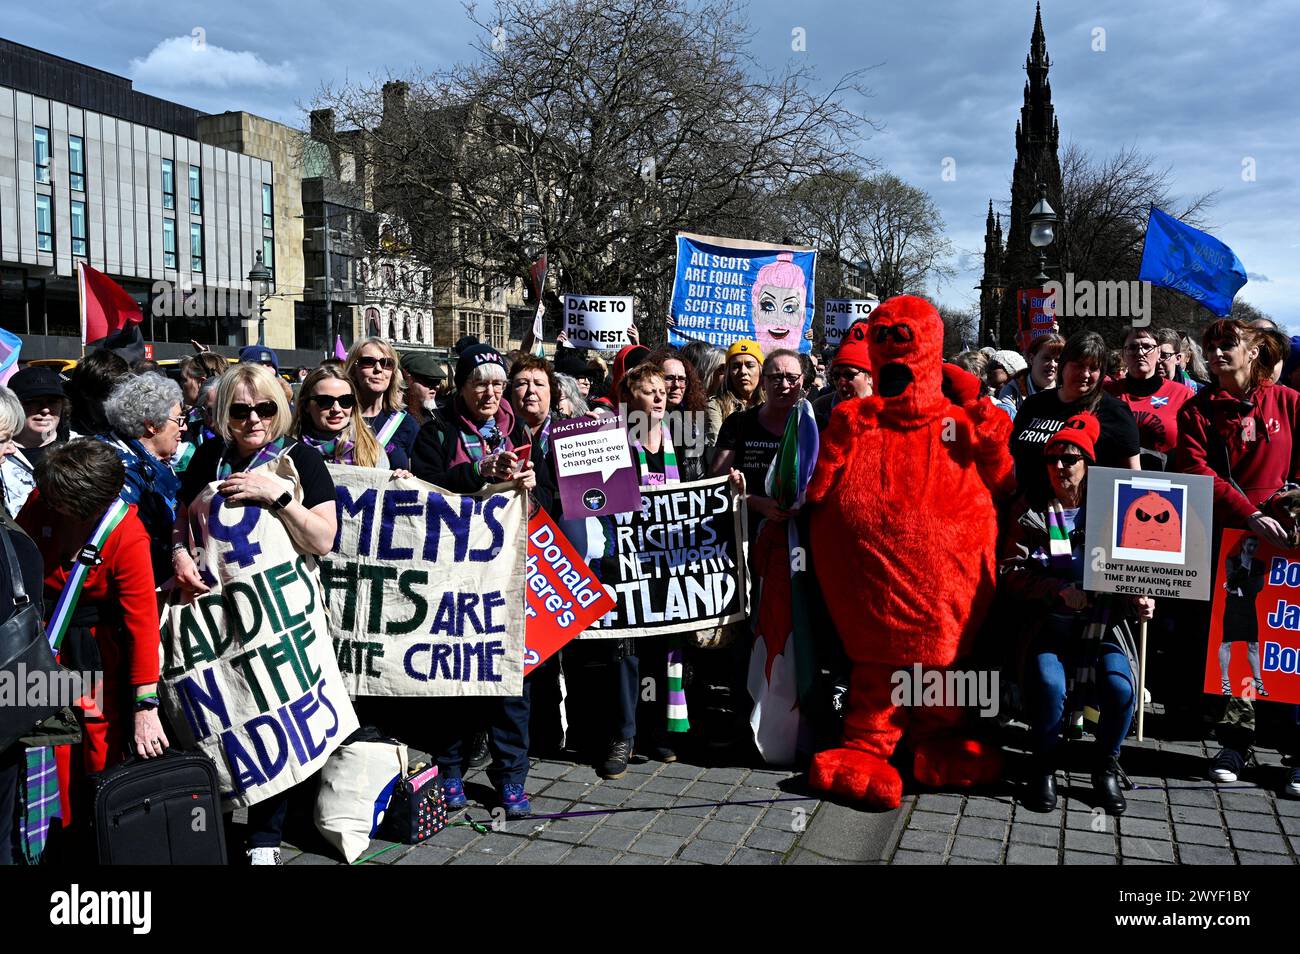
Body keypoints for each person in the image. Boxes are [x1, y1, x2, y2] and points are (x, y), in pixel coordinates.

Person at [170, 363, 340, 864]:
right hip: (216, 614)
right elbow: (182, 522)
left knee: (271, 714)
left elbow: (323, 539)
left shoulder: (302, 460)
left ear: (279, 409)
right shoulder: (207, 457)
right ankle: (215, 824)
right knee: (223, 712)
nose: (253, 420)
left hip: (276, 617)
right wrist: (179, 552)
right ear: (225, 415)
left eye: (264, 408)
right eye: (240, 411)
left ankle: (265, 836)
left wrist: (277, 495)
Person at [409, 344, 546, 819]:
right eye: (478, 383)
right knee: (455, 678)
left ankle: (511, 777)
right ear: (461, 388)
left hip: (510, 576)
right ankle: (449, 769)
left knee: (510, 682)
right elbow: (421, 488)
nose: (489, 392)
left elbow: (548, 495)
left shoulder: (521, 431)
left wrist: (530, 486)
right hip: (455, 576)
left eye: (496, 384)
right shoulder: (438, 432)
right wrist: (475, 473)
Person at [997, 413, 1150, 815]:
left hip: (1103, 625)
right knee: (1048, 684)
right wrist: (1057, 590)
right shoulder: (1029, 508)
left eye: (1071, 458)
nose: (1061, 466)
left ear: (1088, 464)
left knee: (1120, 687)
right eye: (1054, 459)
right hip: (1049, 623)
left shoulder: (1115, 509)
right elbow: (1009, 571)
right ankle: (1043, 764)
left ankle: (1105, 766)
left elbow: (1145, 564)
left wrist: (1142, 598)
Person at [1174, 319, 1300, 797]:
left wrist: (1290, 508)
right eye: (1210, 347)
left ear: (1255, 351)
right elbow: (1194, 469)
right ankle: (1235, 741)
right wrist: (1248, 514)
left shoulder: (1289, 403)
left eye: (1228, 345)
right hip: (1231, 543)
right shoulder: (1199, 409)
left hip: (1287, 544)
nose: (1217, 353)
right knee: (1240, 641)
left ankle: (1296, 750)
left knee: (1288, 642)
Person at [18, 440, 168, 836]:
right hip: (37, 643)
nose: (47, 502)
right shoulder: (41, 499)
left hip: (92, 654)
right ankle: (45, 837)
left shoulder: (127, 534)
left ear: (87, 503)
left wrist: (145, 706)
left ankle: (93, 836)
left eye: (58, 499)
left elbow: (142, 625)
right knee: (38, 738)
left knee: (97, 746)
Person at [598, 364, 691, 778]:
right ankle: (622, 735)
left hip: (667, 565)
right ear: (628, 396)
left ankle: (658, 732)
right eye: (648, 390)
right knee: (626, 655)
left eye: (662, 389)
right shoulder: (610, 440)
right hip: (623, 563)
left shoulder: (682, 439)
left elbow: (698, 489)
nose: (658, 396)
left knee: (663, 652)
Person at [1011, 331, 1141, 506]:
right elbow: (1011, 457)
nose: (1085, 374)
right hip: (1027, 516)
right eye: (1078, 365)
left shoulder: (1115, 413)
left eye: (1093, 368)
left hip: (1084, 521)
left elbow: (1133, 478)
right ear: (1063, 365)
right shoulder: (1034, 404)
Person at [100, 373, 186, 583]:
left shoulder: (149, 460)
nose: (184, 427)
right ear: (152, 425)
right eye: (179, 419)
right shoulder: (119, 471)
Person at [711, 348, 806, 534]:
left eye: (792, 378)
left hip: (800, 537)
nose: (784, 384)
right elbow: (714, 485)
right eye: (776, 377)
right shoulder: (738, 423)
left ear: (802, 381)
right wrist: (754, 502)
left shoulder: (814, 426)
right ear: (763, 381)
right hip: (746, 534)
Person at [1103, 327, 1193, 471]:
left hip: (1166, 484)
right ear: (1123, 354)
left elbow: (1194, 450)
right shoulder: (1106, 394)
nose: (1140, 352)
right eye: (1133, 347)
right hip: (1114, 483)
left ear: (1158, 353)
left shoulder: (1182, 395)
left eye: (1147, 347)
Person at [292, 366, 393, 469]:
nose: (336, 409)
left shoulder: (372, 450)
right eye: (324, 401)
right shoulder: (286, 449)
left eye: (345, 400)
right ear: (306, 405)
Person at [2, 367, 69, 517]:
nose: (45, 410)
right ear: (13, 406)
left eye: (53, 402)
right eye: (32, 402)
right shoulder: (2, 453)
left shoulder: (83, 449)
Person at [346, 337, 420, 469]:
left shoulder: (405, 423)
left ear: (393, 373)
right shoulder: (339, 417)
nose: (379, 369)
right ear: (353, 370)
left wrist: (409, 476)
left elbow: (421, 476)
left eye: (387, 363)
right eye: (368, 362)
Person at [1217, 535, 1268, 697]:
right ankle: (1225, 681)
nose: (1253, 548)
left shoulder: (1260, 564)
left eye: (1255, 546)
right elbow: (1230, 580)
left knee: (1254, 645)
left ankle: (1259, 682)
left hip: (1248, 606)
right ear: (1243, 545)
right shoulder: (1232, 560)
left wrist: (1237, 589)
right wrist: (1244, 567)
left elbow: (1258, 586)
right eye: (1250, 545)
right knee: (1227, 643)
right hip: (1233, 606)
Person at [647, 347, 706, 481]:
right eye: (669, 378)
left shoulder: (691, 423)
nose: (677, 385)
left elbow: (697, 474)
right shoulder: (635, 422)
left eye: (682, 379)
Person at [706, 339, 763, 456]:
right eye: (736, 366)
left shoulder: (771, 405)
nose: (743, 371)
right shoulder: (715, 406)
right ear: (728, 373)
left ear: (760, 370)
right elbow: (717, 451)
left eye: (750, 365)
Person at [812, 326, 872, 431]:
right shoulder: (820, 410)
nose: (841, 382)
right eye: (836, 375)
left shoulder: (887, 413)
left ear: (870, 377)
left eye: (849, 375)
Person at [995, 333, 1063, 418]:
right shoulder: (1012, 391)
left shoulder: (1066, 389)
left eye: (1057, 360)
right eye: (1046, 358)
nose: (1052, 364)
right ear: (1032, 359)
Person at [64, 349, 129, 437]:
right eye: (112, 395)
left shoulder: (129, 422)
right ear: (86, 393)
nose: (121, 402)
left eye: (124, 393)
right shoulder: (63, 427)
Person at [508, 354, 560, 457]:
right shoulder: (497, 434)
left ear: (551, 391)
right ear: (510, 391)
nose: (531, 390)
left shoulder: (569, 430)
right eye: (522, 384)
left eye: (539, 384)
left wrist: (592, 428)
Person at [400, 351, 448, 424]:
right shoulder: (396, 419)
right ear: (408, 380)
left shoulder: (440, 415)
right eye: (429, 381)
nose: (437, 387)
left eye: (438, 382)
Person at [1153, 328, 1202, 395]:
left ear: (1178, 358)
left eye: (1164, 355)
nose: (1158, 361)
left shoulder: (1197, 392)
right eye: (1155, 355)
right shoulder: (1140, 390)